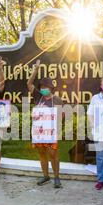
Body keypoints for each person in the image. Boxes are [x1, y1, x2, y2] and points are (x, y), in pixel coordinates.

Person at [27, 59, 64, 188]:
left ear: (51, 88)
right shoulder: (38, 97)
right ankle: (45, 176)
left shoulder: (57, 100)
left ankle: (57, 177)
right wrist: (35, 70)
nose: (43, 89)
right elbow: (29, 83)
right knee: (42, 153)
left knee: (53, 155)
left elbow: (62, 116)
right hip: (39, 132)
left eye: (46, 87)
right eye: (42, 87)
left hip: (51, 132)